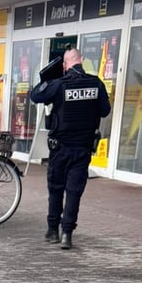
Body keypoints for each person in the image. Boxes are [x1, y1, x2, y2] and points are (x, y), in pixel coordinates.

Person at [30, 48, 111, 249]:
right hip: (83, 149)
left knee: (56, 189)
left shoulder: (59, 85)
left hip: (60, 149)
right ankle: (67, 234)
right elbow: (105, 110)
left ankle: (52, 231)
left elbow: (35, 95)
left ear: (65, 65)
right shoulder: (96, 83)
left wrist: (49, 78)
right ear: (81, 61)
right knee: (74, 192)